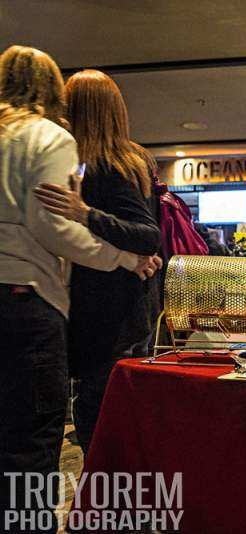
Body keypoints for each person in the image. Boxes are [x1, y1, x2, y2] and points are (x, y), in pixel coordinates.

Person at [0, 46, 155, 531]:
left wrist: (91, 219)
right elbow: (54, 228)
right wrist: (120, 256)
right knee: (34, 447)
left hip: (68, 316)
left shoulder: (99, 163)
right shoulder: (52, 140)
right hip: (38, 305)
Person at [33, 69, 162, 453]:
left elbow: (147, 235)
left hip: (103, 317)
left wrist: (84, 212)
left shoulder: (104, 166)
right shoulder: (128, 160)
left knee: (97, 419)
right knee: (113, 418)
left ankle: (95, 506)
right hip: (125, 312)